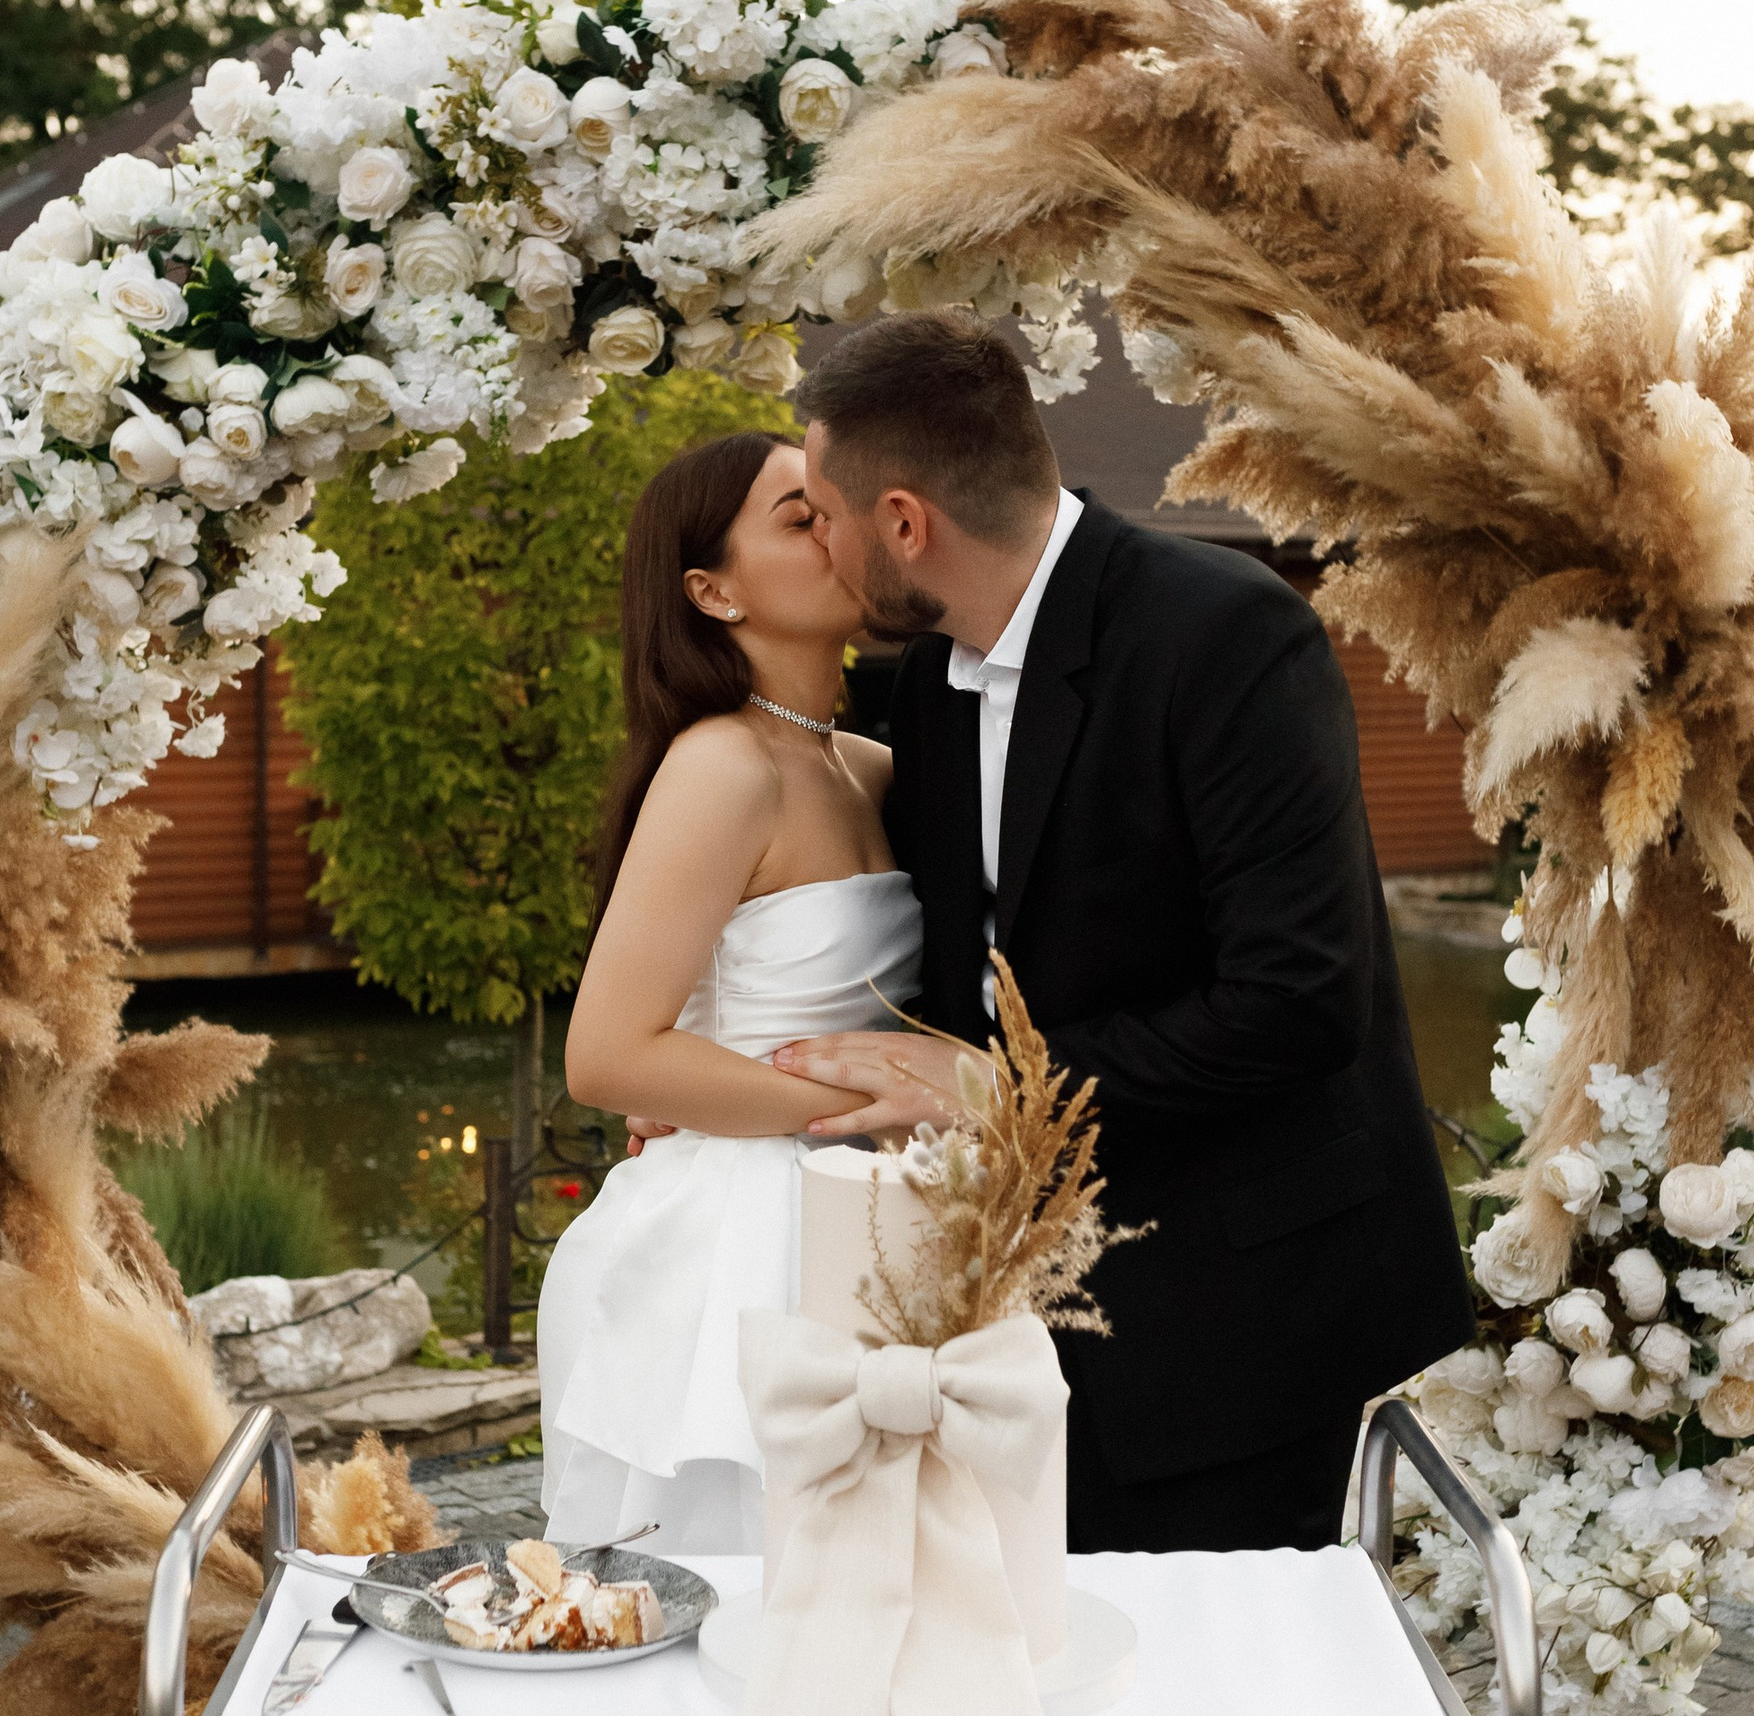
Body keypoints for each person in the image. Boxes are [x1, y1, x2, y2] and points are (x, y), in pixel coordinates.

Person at [770, 309, 1474, 1555]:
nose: (818, 544)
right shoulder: (930, 680)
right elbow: (951, 963)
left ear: (904, 522)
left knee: (1212, 1668)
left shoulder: (1227, 633)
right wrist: (725, 1075)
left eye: (822, 514)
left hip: (1245, 1309)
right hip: (1023, 1313)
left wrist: (998, 1087)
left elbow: (1300, 1000)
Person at [537, 431, 921, 1555]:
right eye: (799, 519)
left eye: (835, 506)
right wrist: (871, 1102)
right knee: (740, 1585)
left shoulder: (877, 768)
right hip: (738, 1244)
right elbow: (608, 1055)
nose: (836, 533)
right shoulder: (719, 765)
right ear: (712, 591)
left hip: (876, 1210)